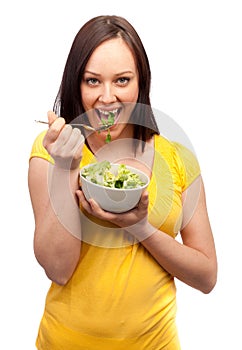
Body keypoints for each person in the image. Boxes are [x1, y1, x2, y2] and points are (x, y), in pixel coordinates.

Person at [28, 15, 217, 350]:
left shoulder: (177, 158)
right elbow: (58, 269)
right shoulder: (53, 150)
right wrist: (65, 168)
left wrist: (141, 227)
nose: (107, 97)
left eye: (122, 80)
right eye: (92, 81)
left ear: (141, 83)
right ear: (76, 84)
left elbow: (206, 276)